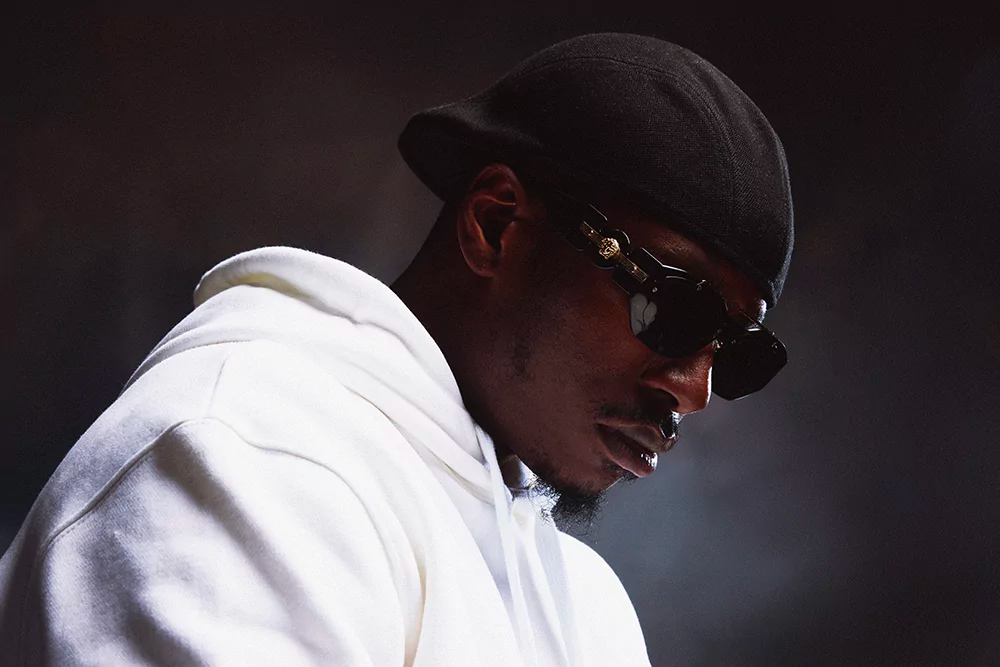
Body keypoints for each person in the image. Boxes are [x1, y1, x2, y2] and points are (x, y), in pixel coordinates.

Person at [0, 32, 792, 666]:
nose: (695, 389)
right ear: (496, 224)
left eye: (735, 353)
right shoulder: (246, 459)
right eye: (672, 306)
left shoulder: (588, 610)